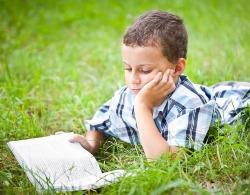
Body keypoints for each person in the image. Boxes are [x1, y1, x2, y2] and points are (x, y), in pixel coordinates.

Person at [68, 10, 250, 161]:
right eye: (127, 68)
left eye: (145, 70)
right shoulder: (128, 95)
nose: (133, 79)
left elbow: (166, 162)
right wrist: (92, 144)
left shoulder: (190, 104)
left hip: (233, 108)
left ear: (177, 68)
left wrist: (142, 106)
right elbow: (100, 122)